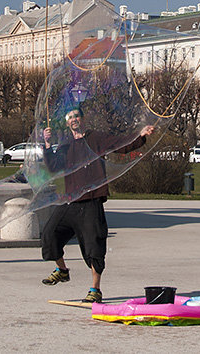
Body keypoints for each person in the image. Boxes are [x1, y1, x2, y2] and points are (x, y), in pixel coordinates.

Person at [40, 105, 155, 303]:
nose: (74, 119)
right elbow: (54, 167)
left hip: (92, 200)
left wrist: (141, 135)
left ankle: (95, 289)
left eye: (77, 116)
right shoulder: (66, 145)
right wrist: (48, 145)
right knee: (50, 234)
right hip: (71, 201)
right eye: (70, 117)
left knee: (94, 246)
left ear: (83, 119)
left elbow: (121, 145)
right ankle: (62, 269)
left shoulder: (96, 138)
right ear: (67, 123)